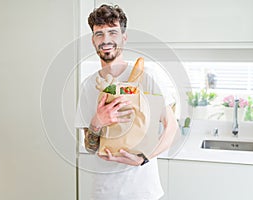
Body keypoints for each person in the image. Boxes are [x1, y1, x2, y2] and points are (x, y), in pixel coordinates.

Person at [75, 4, 178, 200]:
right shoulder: (88, 86)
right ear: (93, 40)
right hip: (103, 191)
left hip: (143, 191)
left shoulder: (148, 76)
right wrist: (98, 121)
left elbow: (171, 126)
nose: (106, 40)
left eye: (112, 32)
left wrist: (144, 158)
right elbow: (90, 146)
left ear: (124, 37)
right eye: (99, 34)